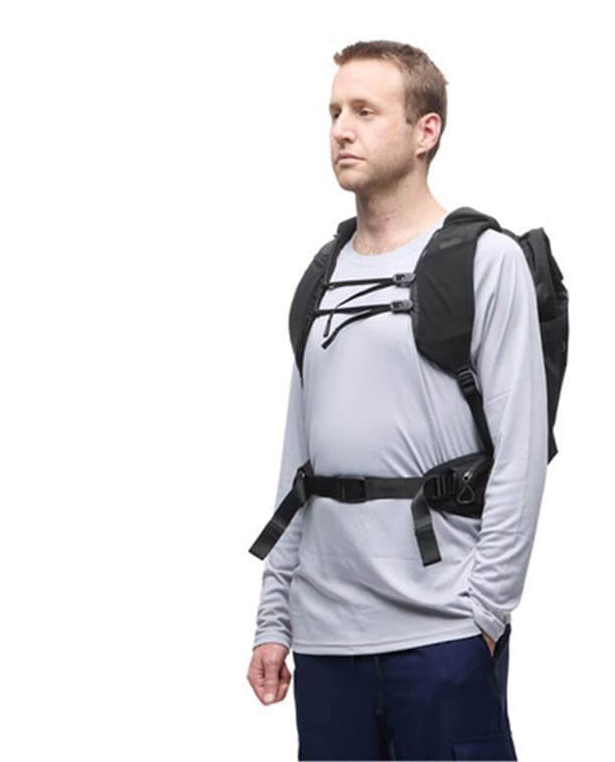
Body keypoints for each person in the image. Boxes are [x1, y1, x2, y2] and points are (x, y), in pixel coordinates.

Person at [246, 40, 548, 761]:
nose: (341, 130)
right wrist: (274, 617)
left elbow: (521, 451)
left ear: (425, 131)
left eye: (365, 111)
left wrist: (485, 614)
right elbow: (299, 463)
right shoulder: (322, 275)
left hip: (441, 633)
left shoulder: (486, 260)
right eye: (334, 113)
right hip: (325, 640)